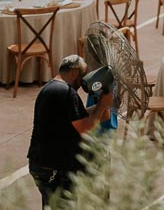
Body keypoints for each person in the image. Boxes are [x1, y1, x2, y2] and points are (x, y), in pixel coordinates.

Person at [26, 55, 113, 208]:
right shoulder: (66, 92)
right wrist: (101, 106)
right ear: (74, 72)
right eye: (83, 73)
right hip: (55, 169)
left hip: (43, 165)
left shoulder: (52, 88)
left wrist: (102, 104)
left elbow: (79, 118)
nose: (85, 78)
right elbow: (86, 128)